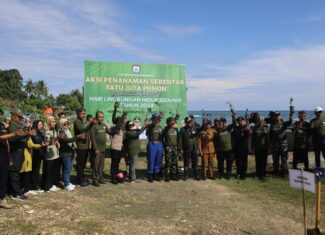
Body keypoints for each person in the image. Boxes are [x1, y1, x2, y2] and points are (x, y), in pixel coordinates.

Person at [0, 109, 24, 209]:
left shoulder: (2, 125)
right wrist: (14, 134)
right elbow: (1, 137)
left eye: (1, 114)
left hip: (5, 153)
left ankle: (1, 198)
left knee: (3, 177)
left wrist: (9, 155)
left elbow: (7, 142)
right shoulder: (7, 126)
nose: (0, 116)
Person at [90, 111, 117, 186]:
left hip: (103, 149)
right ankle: (95, 179)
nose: (101, 118)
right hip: (97, 150)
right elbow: (93, 139)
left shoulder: (104, 125)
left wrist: (116, 129)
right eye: (100, 117)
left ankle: (100, 178)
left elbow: (110, 132)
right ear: (96, 117)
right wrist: (95, 148)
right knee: (96, 165)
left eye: (102, 117)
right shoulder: (94, 126)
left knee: (101, 165)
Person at [8, 109, 29, 200]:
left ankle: (14, 191)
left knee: (16, 171)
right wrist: (25, 134)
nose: (18, 118)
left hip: (20, 151)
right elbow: (11, 139)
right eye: (17, 116)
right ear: (12, 116)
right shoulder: (12, 125)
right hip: (15, 151)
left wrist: (27, 134)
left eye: (20, 117)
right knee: (14, 172)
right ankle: (16, 193)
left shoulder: (18, 125)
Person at [59, 118, 80, 191]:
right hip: (64, 153)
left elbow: (71, 142)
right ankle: (66, 184)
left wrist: (74, 151)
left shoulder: (68, 131)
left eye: (67, 123)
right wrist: (76, 137)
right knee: (67, 169)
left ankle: (68, 182)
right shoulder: (61, 132)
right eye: (65, 124)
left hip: (70, 152)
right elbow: (66, 140)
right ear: (61, 124)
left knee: (69, 168)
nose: (66, 125)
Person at [270, 110, 293, 177]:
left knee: (284, 158)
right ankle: (276, 172)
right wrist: (270, 144)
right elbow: (271, 135)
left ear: (280, 116)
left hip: (283, 143)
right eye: (276, 115)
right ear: (274, 117)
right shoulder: (272, 125)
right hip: (275, 143)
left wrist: (291, 114)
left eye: (278, 115)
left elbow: (290, 122)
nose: (277, 117)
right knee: (275, 158)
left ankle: (284, 172)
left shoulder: (283, 123)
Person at [73, 108, 93, 187]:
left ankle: (81, 177)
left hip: (85, 146)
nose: (84, 115)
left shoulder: (82, 121)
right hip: (80, 146)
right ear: (78, 114)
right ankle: (79, 180)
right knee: (80, 164)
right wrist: (90, 123)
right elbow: (82, 129)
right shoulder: (77, 121)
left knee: (83, 163)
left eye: (84, 113)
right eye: (82, 113)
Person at [179, 117, 200, 181]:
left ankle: (196, 175)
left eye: (190, 121)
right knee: (186, 163)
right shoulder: (182, 130)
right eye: (188, 122)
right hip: (186, 149)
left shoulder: (195, 128)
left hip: (194, 149)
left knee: (195, 163)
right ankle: (186, 176)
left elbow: (201, 128)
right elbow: (180, 140)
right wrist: (180, 149)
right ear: (185, 122)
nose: (189, 123)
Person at [43, 116, 61, 192]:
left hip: (55, 153)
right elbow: (47, 142)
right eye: (53, 121)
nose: (54, 123)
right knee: (49, 171)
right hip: (49, 154)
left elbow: (55, 140)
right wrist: (55, 140)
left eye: (54, 121)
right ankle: (47, 186)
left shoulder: (54, 130)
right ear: (49, 122)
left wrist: (57, 141)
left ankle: (51, 184)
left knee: (53, 170)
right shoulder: (47, 131)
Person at [162, 117, 181, 182]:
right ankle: (167, 175)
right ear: (168, 123)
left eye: (173, 121)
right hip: (168, 147)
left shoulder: (176, 129)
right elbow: (162, 137)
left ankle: (173, 175)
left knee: (174, 162)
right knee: (168, 162)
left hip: (175, 147)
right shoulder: (166, 129)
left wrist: (179, 148)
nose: (172, 123)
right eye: (171, 121)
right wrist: (165, 146)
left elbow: (178, 139)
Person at [146, 113, 163, 182]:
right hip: (152, 143)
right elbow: (147, 133)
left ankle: (156, 174)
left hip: (159, 144)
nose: (157, 120)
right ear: (153, 119)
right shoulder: (150, 126)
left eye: (158, 119)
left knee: (158, 160)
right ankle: (150, 174)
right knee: (151, 159)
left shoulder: (160, 127)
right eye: (155, 119)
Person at [30, 120, 45, 191]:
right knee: (35, 170)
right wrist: (42, 143)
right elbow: (36, 141)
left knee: (37, 170)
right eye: (39, 125)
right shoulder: (33, 132)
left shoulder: (39, 132)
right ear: (36, 125)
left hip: (39, 153)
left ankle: (36, 184)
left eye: (41, 124)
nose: (41, 126)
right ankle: (34, 185)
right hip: (35, 154)